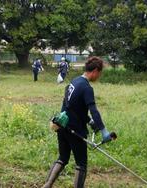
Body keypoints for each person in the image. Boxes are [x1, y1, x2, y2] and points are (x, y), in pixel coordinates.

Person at [43, 56, 112, 188]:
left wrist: (89, 121)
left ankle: (47, 185)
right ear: (96, 70)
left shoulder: (74, 82)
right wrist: (104, 131)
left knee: (63, 158)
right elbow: (94, 110)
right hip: (75, 131)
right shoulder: (87, 88)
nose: (99, 76)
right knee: (81, 164)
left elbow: (71, 106)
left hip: (62, 125)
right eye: (100, 73)